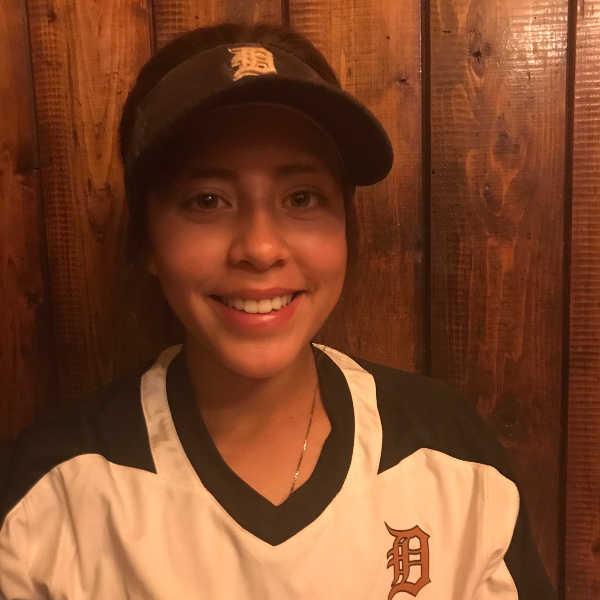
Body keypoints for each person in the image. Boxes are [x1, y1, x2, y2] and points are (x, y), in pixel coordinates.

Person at [0, 22, 557, 600]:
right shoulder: (51, 496)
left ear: (345, 226)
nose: (261, 248)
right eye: (207, 201)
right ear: (147, 242)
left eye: (302, 198)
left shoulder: (449, 451)